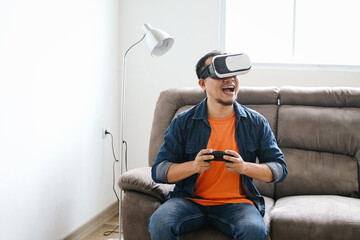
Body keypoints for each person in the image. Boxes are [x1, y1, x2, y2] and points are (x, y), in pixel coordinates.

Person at [149, 50, 287, 240]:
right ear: (202, 83)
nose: (229, 79)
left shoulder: (255, 122)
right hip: (189, 201)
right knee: (160, 222)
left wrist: (245, 167)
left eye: (233, 74)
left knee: (254, 230)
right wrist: (194, 166)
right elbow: (159, 171)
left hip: (237, 204)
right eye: (219, 74)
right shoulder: (183, 122)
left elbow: (279, 169)